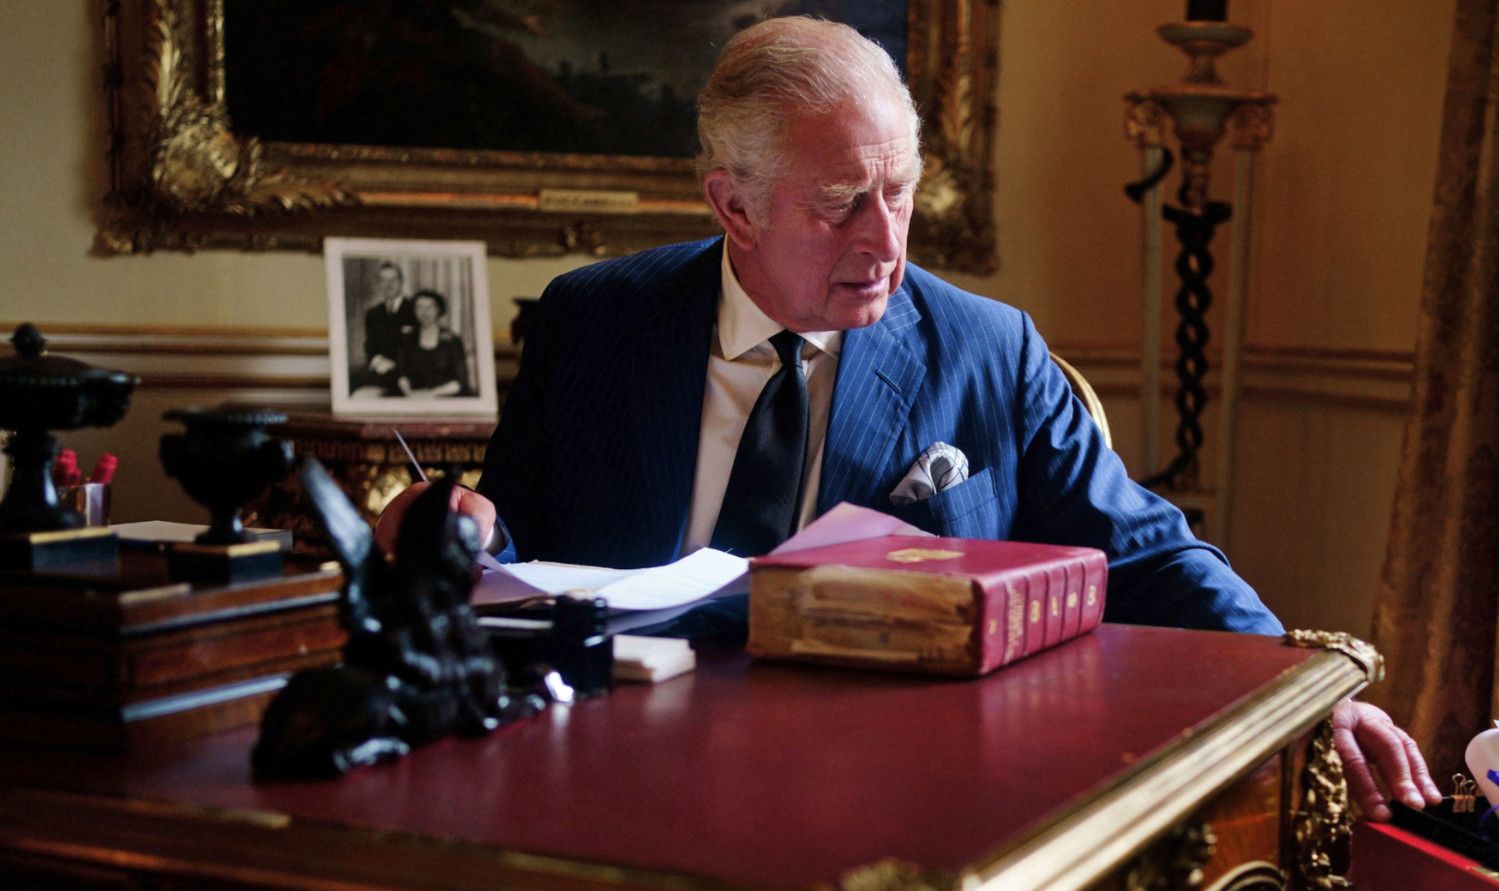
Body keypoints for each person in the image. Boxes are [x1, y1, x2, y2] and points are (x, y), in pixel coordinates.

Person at [375, 16, 1438, 819]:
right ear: (733, 205)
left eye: (901, 190)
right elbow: (516, 539)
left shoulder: (987, 348)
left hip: (883, 792)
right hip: (613, 772)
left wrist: (1304, 691)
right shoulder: (595, 321)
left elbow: (1146, 551)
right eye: (841, 201)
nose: (885, 241)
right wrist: (456, 530)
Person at [395, 290, 471, 397]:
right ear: (414, 311)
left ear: (438, 310)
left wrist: (430, 395)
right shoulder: (407, 339)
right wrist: (409, 393)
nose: (425, 312)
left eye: (430, 307)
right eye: (420, 307)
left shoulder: (452, 340)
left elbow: (461, 381)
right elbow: (401, 373)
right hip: (414, 396)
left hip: (447, 396)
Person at [356, 262, 415, 396]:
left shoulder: (415, 309)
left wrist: (395, 366)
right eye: (384, 280)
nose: (389, 285)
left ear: (401, 282)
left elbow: (416, 347)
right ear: (379, 284)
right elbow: (370, 345)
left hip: (409, 373)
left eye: (393, 279)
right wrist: (378, 361)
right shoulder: (373, 313)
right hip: (381, 371)